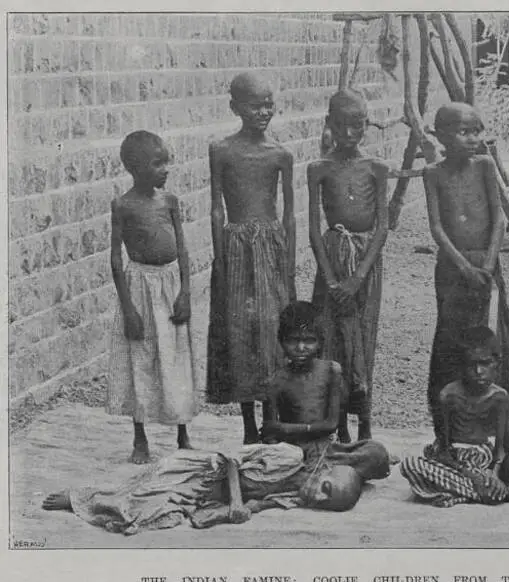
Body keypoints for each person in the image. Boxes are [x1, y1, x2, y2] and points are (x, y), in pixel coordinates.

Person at [207, 72, 296, 445]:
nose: (263, 112)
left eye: (268, 104)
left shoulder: (280, 154)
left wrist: (288, 259)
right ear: (235, 107)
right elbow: (216, 208)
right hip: (236, 246)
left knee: (273, 328)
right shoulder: (222, 151)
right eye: (254, 105)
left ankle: (272, 418)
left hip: (271, 246)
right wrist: (221, 257)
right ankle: (247, 423)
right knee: (240, 329)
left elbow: (289, 211)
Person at [423, 102, 509, 452]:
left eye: (477, 130)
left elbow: (499, 220)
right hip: (452, 270)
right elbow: (436, 227)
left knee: (494, 345)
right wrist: (463, 266)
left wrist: (488, 265)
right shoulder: (433, 173)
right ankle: (447, 436)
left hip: (487, 267)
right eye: (464, 132)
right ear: (442, 136)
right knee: (450, 346)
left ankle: (503, 438)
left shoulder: (486, 166)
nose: (473, 138)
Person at [106, 130, 198, 464]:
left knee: (176, 359)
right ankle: (140, 438)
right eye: (157, 163)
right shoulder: (123, 205)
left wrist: (185, 292)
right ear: (134, 167)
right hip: (140, 287)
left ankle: (182, 433)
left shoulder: (169, 201)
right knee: (141, 359)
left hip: (170, 284)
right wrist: (128, 308)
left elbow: (183, 248)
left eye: (166, 162)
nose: (165, 169)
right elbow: (116, 258)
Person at [41, 442, 367, 535]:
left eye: (325, 502)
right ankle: (78, 497)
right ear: (323, 469)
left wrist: (228, 514)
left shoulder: (296, 497)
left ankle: (108, 503)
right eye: (325, 487)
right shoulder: (290, 457)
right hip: (201, 472)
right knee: (140, 494)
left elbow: (257, 507)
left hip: (207, 497)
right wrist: (236, 499)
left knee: (150, 516)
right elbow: (232, 460)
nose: (318, 496)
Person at [307, 89, 389, 442]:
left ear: (367, 125)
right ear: (329, 124)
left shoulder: (376, 168)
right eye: (341, 125)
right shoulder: (319, 169)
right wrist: (330, 277)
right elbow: (313, 227)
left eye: (357, 125)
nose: (350, 133)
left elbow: (383, 226)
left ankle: (365, 425)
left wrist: (357, 277)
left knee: (362, 337)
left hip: (365, 264)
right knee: (330, 337)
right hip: (332, 257)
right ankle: (337, 425)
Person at [262, 301, 392, 480]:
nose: (301, 348)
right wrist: (277, 448)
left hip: (326, 449)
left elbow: (331, 425)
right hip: (293, 453)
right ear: (282, 342)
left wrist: (285, 428)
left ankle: (313, 477)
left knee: (377, 453)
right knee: (273, 466)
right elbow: (269, 429)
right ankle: (322, 477)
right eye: (293, 341)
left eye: (309, 340)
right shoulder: (276, 380)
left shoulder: (331, 370)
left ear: (320, 342)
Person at [400, 327, 509, 508]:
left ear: (496, 363)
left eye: (485, 363)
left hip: (480, 457)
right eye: (471, 364)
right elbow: (444, 447)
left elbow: (497, 451)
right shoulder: (449, 395)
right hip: (452, 461)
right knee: (410, 465)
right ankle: (485, 493)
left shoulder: (499, 397)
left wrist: (493, 472)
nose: (478, 371)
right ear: (461, 365)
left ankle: (462, 492)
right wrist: (466, 472)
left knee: (482, 475)